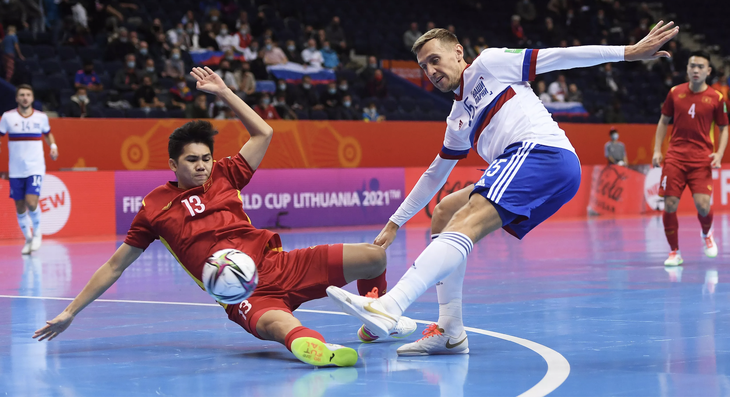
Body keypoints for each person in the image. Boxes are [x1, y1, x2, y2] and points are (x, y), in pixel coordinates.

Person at [326, 22, 679, 355]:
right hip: (527, 163)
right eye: (423, 66)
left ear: (458, 53)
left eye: (435, 60)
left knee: (467, 219)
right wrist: (394, 223)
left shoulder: (491, 64)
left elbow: (560, 56)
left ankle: (391, 305)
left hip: (541, 152)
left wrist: (626, 52)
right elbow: (435, 174)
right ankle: (450, 330)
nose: (430, 71)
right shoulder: (457, 119)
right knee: (448, 209)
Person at [32, 67, 416, 367]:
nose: (201, 166)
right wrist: (69, 312)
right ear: (172, 163)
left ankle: (373, 323)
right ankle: (313, 347)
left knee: (374, 257)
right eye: (191, 160)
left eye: (205, 158)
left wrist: (224, 92)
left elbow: (263, 133)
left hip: (279, 263)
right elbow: (115, 266)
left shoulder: (224, 173)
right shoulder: (154, 207)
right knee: (279, 326)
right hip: (241, 293)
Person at [652, 51, 728, 267]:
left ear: (708, 71)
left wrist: (720, 153)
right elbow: (663, 121)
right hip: (675, 157)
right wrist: (658, 150)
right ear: (687, 69)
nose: (696, 70)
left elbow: (724, 128)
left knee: (703, 206)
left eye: (701, 67)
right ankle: (674, 252)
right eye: (692, 66)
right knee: (670, 204)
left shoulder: (717, 98)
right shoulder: (675, 93)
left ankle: (707, 233)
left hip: (701, 159)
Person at [0, 85, 58, 254]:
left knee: (31, 202)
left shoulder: (40, 117)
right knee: (19, 206)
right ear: (17, 98)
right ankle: (28, 238)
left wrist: (53, 146)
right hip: (16, 169)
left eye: (28, 95)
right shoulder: (7, 117)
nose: (25, 98)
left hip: (35, 167)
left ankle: (38, 233)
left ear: (32, 98)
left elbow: (47, 133)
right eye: (22, 95)